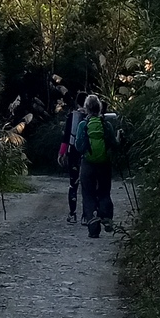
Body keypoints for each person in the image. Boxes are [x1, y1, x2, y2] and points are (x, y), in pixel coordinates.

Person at [74, 94, 118, 238]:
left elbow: (78, 146)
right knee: (104, 191)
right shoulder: (106, 125)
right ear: (100, 108)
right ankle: (106, 218)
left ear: (86, 109)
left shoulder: (83, 125)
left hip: (88, 164)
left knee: (88, 194)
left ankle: (93, 226)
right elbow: (114, 144)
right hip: (104, 164)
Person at [57, 91, 87, 225]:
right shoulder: (91, 116)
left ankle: (72, 213)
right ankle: (87, 215)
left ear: (77, 102)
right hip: (88, 153)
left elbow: (66, 136)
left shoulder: (72, 116)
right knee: (87, 184)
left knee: (73, 183)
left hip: (73, 151)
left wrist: (61, 153)